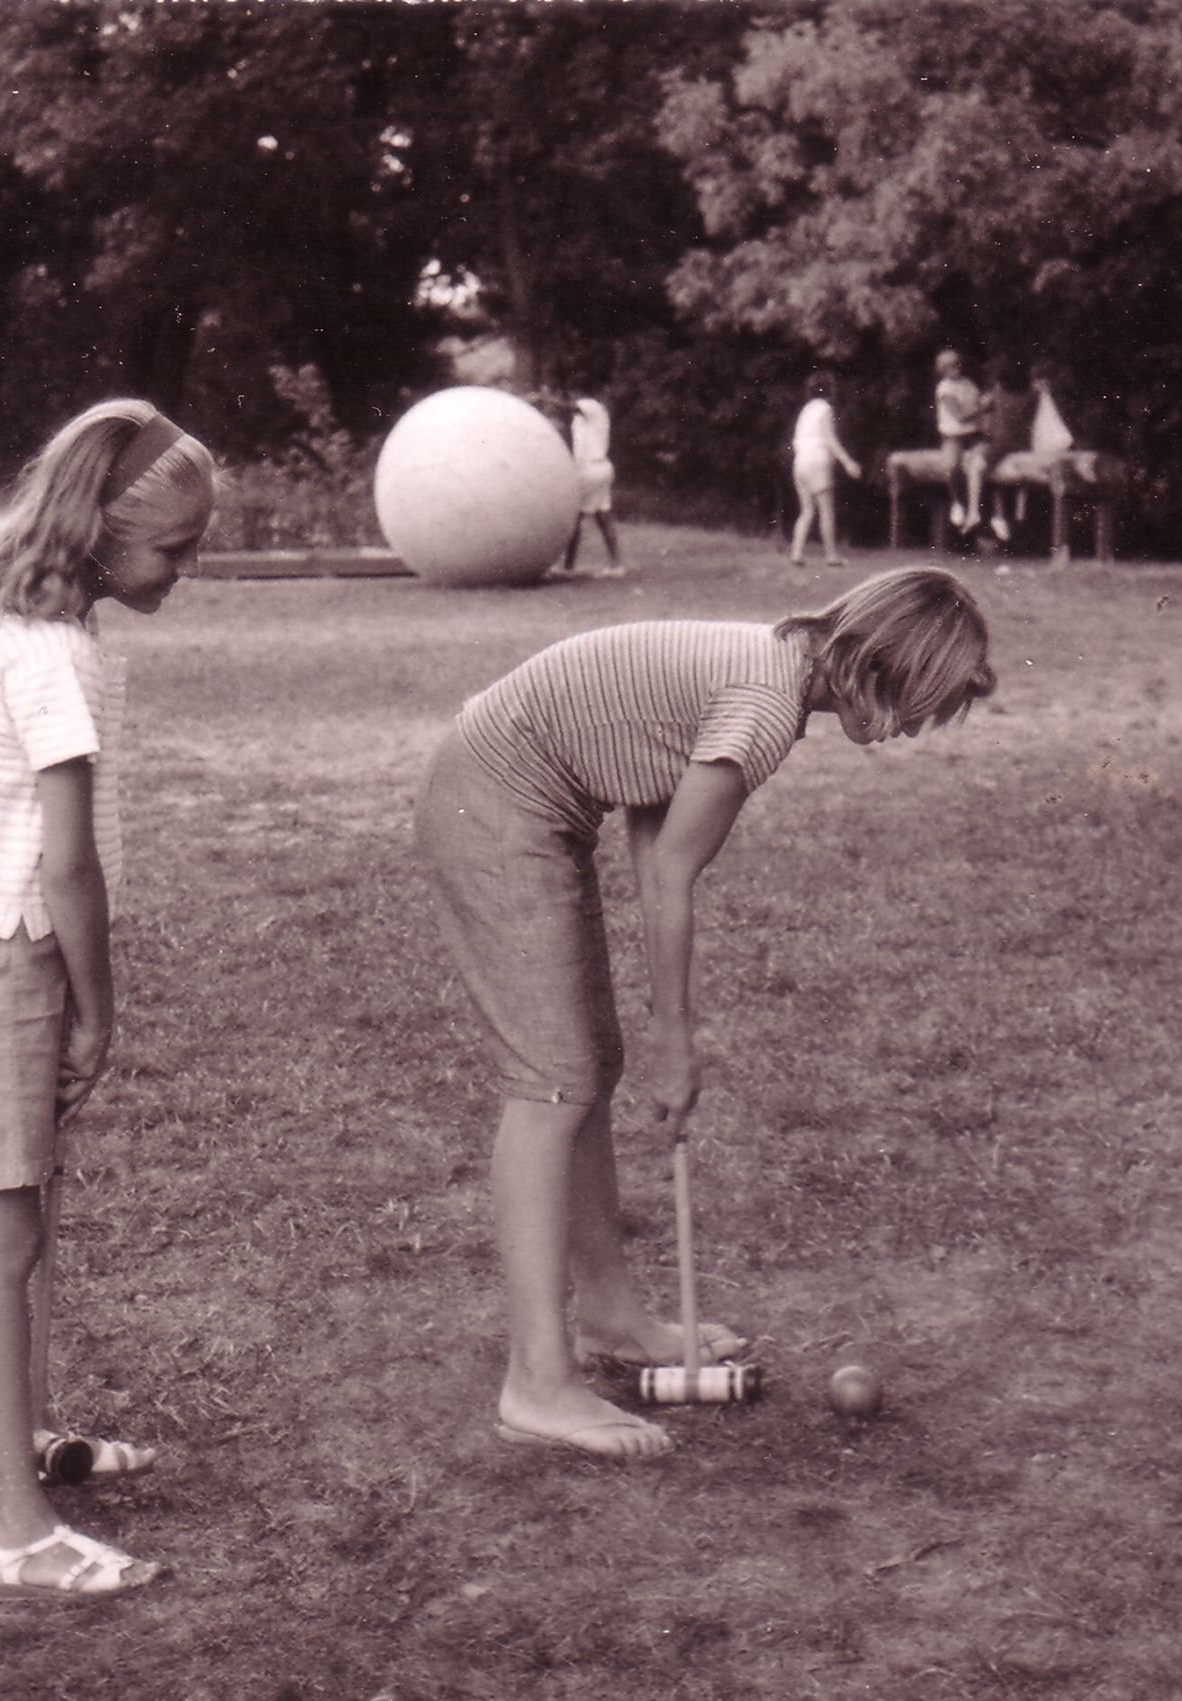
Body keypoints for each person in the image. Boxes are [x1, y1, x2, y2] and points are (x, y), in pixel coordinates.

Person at [413, 565, 997, 1460]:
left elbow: (654, 830)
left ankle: (610, 1319)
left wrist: (654, 1031)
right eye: (930, 702)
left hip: (520, 793)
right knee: (551, 1083)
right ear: (894, 670)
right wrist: (676, 1039)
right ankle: (537, 1382)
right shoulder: (767, 707)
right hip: (493, 799)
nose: (920, 728)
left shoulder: (773, 666)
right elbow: (672, 873)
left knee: (583, 1069)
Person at [0, 398, 216, 1601]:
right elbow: (68, 865)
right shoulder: (58, 657)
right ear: (98, 530)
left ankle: (23, 1447)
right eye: (172, 550)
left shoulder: (19, 619)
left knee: (22, 1219)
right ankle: (13, 1535)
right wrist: (97, 1011)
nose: (186, 570)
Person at [789, 373, 863, 566]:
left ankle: (796, 553)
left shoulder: (805, 410)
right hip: (817, 461)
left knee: (806, 510)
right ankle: (831, 555)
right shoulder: (825, 409)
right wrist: (848, 462)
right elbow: (830, 439)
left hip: (800, 462)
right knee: (826, 510)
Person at [564, 396, 625, 576]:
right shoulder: (584, 419)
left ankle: (568, 566)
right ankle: (616, 564)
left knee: (574, 515)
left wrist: (544, 398)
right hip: (600, 467)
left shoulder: (593, 407)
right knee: (603, 516)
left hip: (590, 469)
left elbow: (572, 406)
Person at [975, 361, 1035, 546]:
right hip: (1024, 445)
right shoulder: (1032, 396)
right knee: (1001, 481)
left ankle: (977, 513)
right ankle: (1008, 515)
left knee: (978, 469)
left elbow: (981, 405)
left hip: (1001, 445)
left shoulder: (997, 394)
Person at [932, 350, 988, 534]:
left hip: (973, 435)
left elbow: (979, 406)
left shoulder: (968, 384)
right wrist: (982, 408)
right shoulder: (944, 388)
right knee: (952, 466)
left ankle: (975, 512)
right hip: (953, 435)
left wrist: (982, 407)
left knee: (981, 464)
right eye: (950, 366)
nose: (956, 368)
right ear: (943, 370)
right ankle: (958, 502)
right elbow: (960, 416)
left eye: (958, 364)